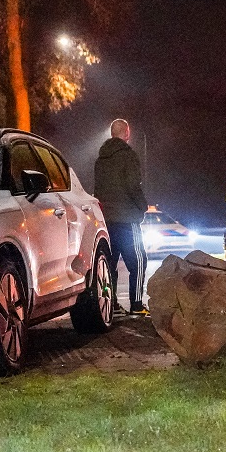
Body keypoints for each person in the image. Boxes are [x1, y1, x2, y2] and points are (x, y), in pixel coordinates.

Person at [94, 119, 150, 315]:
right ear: (127, 133)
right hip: (127, 218)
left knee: (109, 264)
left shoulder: (101, 159)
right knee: (139, 261)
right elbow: (133, 186)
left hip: (106, 219)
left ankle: (112, 305)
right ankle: (136, 305)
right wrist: (142, 207)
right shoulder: (128, 156)